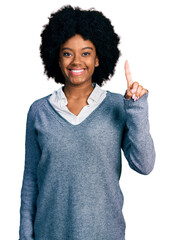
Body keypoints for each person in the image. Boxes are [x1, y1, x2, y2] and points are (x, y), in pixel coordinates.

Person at [19, 5, 155, 240]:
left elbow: (144, 165)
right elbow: (30, 180)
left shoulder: (118, 106)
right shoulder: (39, 111)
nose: (76, 61)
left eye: (86, 52)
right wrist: (24, 236)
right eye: (67, 53)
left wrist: (136, 107)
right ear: (56, 56)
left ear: (98, 58)